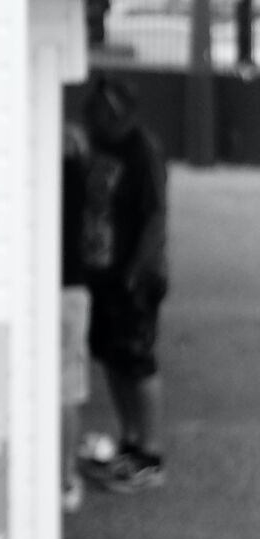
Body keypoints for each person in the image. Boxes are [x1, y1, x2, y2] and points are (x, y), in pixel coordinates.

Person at [77, 75, 169, 492]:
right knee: (113, 358)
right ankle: (129, 441)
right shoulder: (99, 145)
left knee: (137, 358)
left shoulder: (142, 151)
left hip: (134, 274)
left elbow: (155, 217)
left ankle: (150, 453)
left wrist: (137, 271)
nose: (98, 118)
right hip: (101, 270)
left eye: (106, 111)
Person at [59, 119, 93, 515]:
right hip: (72, 288)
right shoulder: (81, 178)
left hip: (47, 285)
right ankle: (65, 477)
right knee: (66, 389)